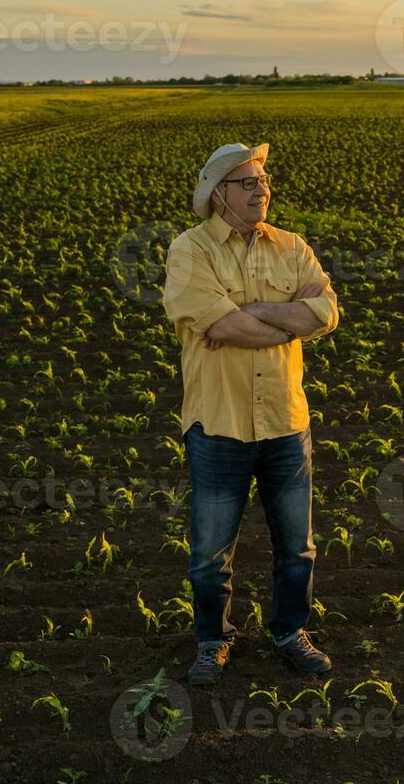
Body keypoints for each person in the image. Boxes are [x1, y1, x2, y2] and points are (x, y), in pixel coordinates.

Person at [161, 142, 340, 685]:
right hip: (220, 425)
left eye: (264, 180)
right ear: (219, 195)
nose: (261, 189)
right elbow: (217, 325)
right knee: (210, 553)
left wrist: (252, 312)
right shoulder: (190, 251)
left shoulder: (292, 246)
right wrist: (288, 320)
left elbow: (327, 312)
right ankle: (213, 641)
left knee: (296, 546)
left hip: (287, 422)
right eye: (247, 182)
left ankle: (289, 631)